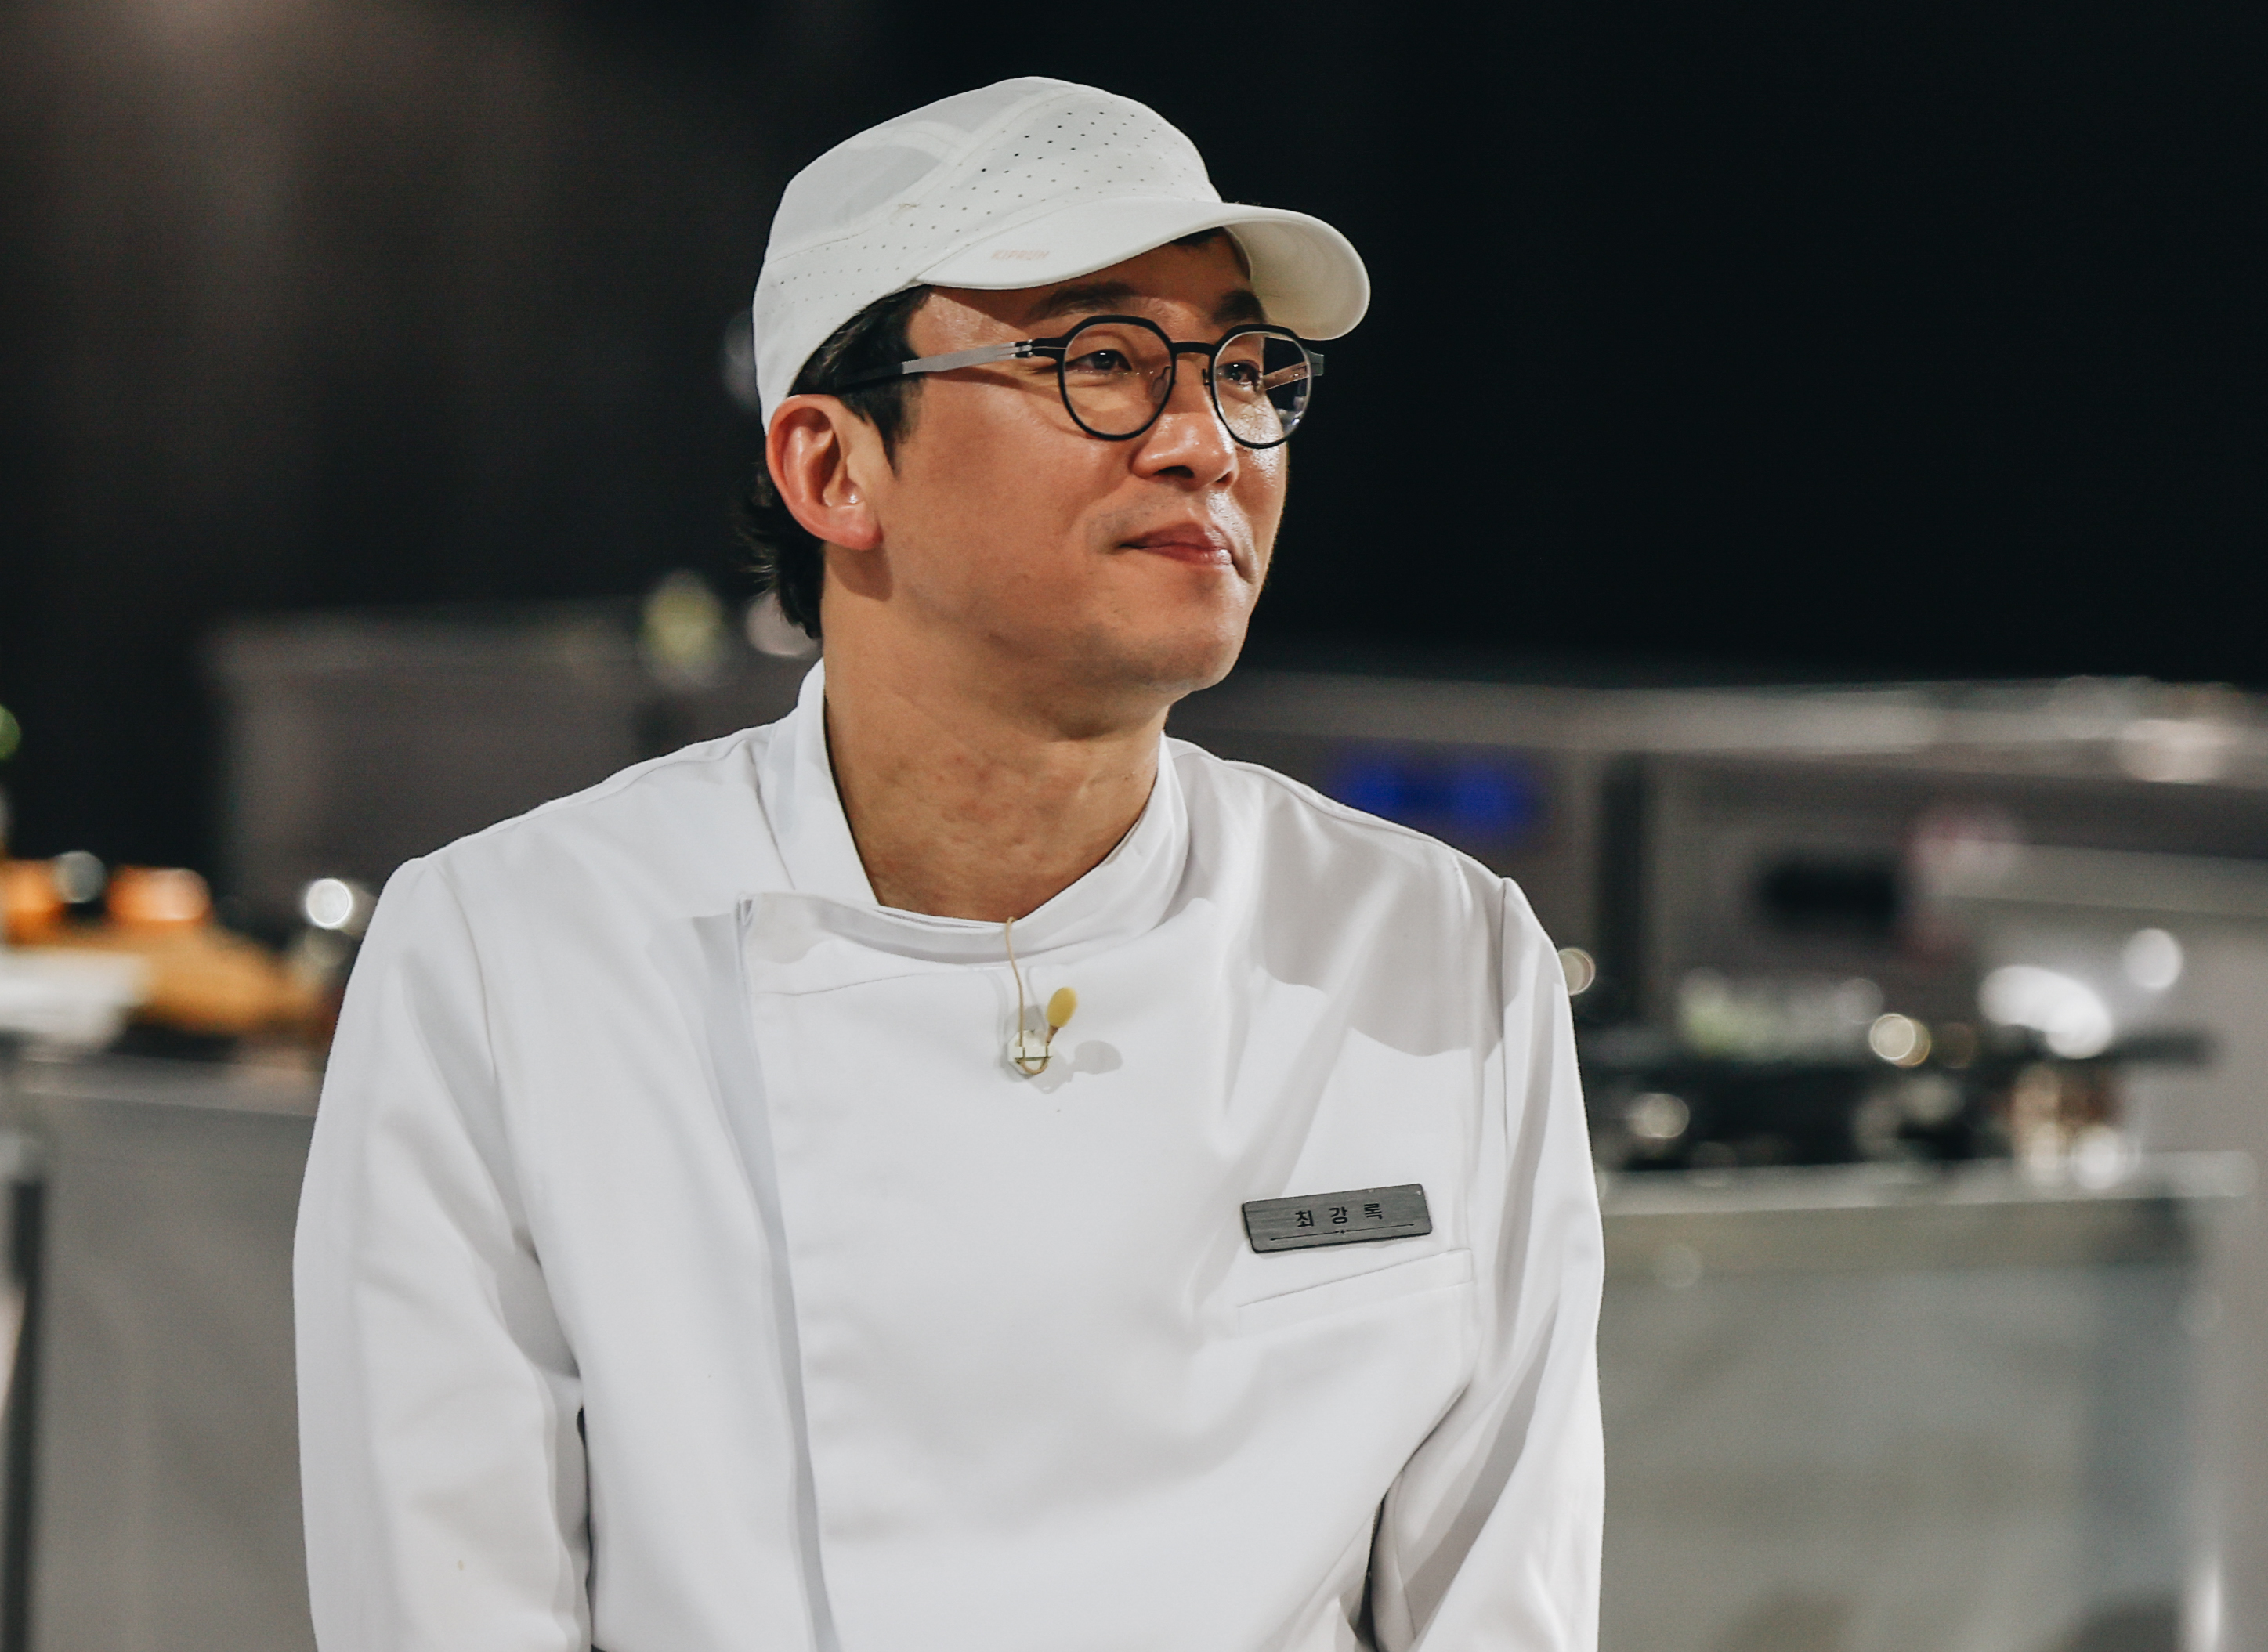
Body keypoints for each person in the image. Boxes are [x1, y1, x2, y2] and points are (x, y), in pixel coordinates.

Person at [294, 77, 1602, 1651]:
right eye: (1103, 360)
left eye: (1248, 371)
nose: (1210, 442)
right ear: (832, 468)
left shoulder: (1440, 957)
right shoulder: (509, 959)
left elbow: (1499, 1608)